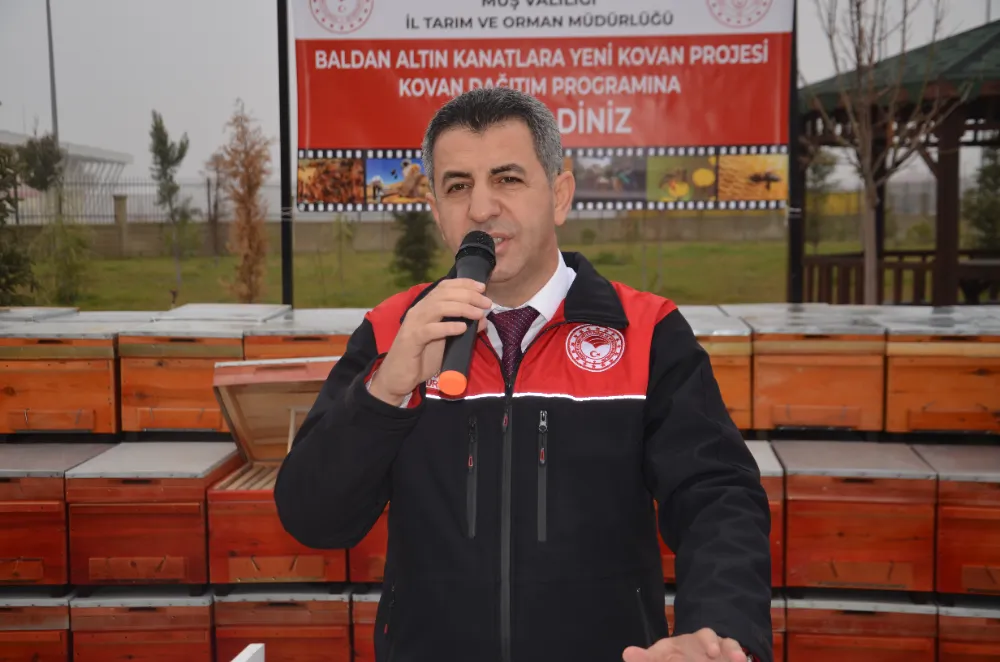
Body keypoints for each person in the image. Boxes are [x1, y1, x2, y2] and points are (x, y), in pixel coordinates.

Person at [274, 87, 773, 662]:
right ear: (435, 209)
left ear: (559, 196)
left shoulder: (647, 331)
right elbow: (313, 518)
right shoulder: (392, 332)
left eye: (507, 179)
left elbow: (718, 497)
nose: (481, 208)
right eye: (457, 186)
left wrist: (717, 632)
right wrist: (386, 391)